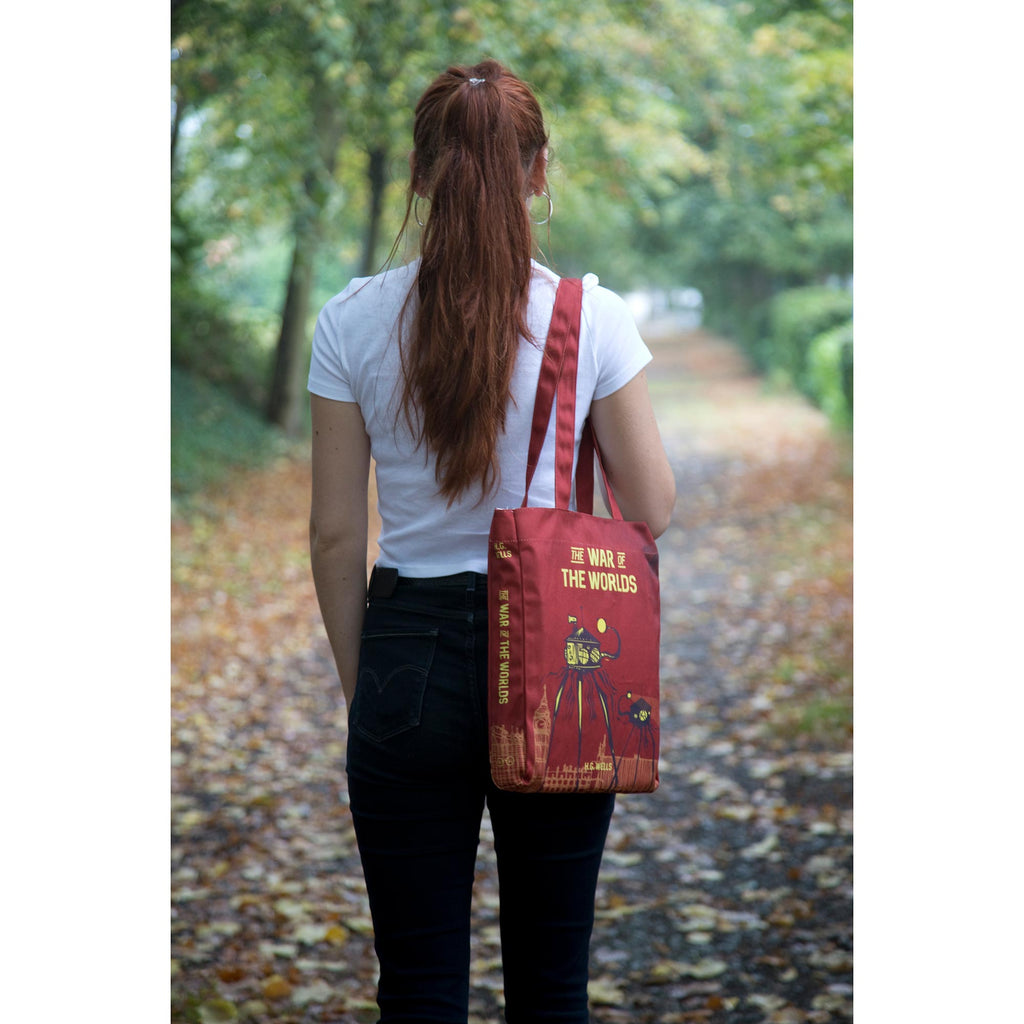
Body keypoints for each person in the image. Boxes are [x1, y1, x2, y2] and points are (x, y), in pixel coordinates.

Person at [307, 59, 676, 1024]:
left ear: (422, 176)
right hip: (564, 661)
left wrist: (369, 689)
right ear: (539, 171)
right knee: (551, 987)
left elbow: (338, 535)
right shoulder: (590, 320)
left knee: (419, 985)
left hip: (405, 660)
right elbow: (654, 505)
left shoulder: (350, 320)